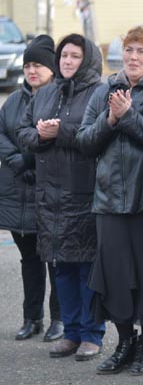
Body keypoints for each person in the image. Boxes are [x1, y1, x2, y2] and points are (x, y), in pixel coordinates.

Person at [76, 25, 143, 376]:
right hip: (109, 201)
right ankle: (123, 342)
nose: (133, 57)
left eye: (142, 51)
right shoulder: (106, 89)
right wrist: (110, 118)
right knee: (116, 278)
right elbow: (85, 141)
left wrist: (129, 118)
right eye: (129, 50)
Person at [16, 33, 106, 360]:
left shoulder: (99, 91)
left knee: (86, 268)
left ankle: (92, 334)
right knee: (62, 267)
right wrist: (40, 135)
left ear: (88, 60)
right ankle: (71, 332)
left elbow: (98, 134)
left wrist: (61, 132)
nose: (67, 61)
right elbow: (24, 131)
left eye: (74, 56)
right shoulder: (45, 93)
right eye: (64, 55)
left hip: (83, 192)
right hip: (49, 195)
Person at [0, 35, 63, 343]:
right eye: (27, 65)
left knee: (55, 260)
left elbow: (58, 139)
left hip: (49, 190)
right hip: (16, 192)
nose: (31, 70)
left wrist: (31, 160)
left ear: (52, 68)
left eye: (38, 64)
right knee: (29, 260)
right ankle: (31, 317)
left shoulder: (61, 98)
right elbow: (1, 135)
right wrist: (18, 161)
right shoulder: (13, 101)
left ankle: (60, 320)